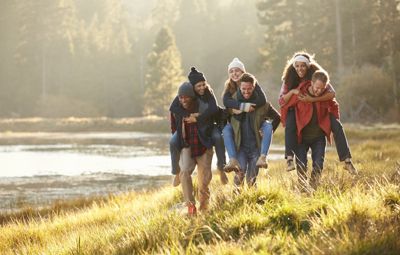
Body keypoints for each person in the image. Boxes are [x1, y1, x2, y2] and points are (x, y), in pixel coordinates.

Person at [279, 52, 357, 175]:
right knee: (290, 122)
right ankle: (289, 157)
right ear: (294, 66)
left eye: (303, 66)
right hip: (296, 107)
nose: (300, 69)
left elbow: (331, 93)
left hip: (319, 107)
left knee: (337, 125)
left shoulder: (317, 76)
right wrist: (294, 91)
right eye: (297, 66)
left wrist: (312, 99)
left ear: (308, 66)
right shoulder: (289, 78)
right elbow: (282, 101)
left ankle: (347, 160)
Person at [169, 67, 228, 186]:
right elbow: (173, 108)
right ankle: (176, 172)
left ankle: (221, 169)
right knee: (173, 142)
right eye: (198, 86)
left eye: (203, 84)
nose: (202, 88)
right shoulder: (187, 94)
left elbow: (213, 108)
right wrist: (188, 115)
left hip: (210, 125)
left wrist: (197, 117)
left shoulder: (208, 92)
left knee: (218, 138)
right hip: (193, 129)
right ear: (192, 87)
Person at [281, 70, 338, 190]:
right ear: (311, 83)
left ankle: (313, 188)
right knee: (301, 166)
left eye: (322, 89)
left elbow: (334, 106)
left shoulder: (324, 97)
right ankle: (303, 190)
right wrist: (287, 123)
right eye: (317, 88)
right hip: (301, 137)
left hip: (318, 138)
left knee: (318, 165)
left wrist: (333, 125)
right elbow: (283, 103)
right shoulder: (301, 95)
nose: (319, 91)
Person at [222, 58, 273, 172]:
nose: (234, 73)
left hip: (253, 122)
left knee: (267, 126)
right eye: (231, 71)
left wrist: (251, 106)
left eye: (237, 70)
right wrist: (242, 107)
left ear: (243, 72)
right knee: (226, 130)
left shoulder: (251, 82)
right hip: (237, 122)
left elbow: (262, 99)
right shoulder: (229, 87)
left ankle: (263, 157)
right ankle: (232, 159)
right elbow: (226, 102)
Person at [229, 73, 280, 187]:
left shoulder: (263, 104)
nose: (246, 91)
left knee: (251, 180)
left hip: (255, 148)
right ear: (239, 87)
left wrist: (267, 133)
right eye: (243, 89)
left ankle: (252, 201)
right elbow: (224, 120)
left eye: (249, 89)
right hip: (240, 148)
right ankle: (235, 200)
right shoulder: (232, 102)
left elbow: (277, 118)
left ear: (254, 87)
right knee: (239, 176)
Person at [170, 82, 214, 215]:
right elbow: (173, 128)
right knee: (184, 172)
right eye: (180, 97)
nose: (183, 100)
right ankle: (190, 207)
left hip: (204, 146)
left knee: (204, 180)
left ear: (192, 97)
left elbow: (213, 121)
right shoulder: (176, 108)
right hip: (187, 145)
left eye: (186, 97)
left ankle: (204, 208)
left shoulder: (203, 106)